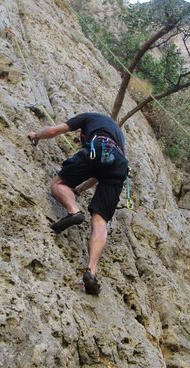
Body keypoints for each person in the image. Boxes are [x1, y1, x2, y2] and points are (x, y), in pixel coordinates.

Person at [28, 112, 129, 296]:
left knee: (58, 184)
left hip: (96, 150)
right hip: (119, 165)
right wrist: (80, 190)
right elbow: (101, 172)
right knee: (100, 221)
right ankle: (91, 271)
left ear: (83, 134)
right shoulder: (118, 136)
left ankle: (73, 211)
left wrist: (36, 135)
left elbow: (53, 131)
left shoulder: (88, 118)